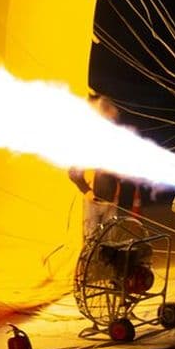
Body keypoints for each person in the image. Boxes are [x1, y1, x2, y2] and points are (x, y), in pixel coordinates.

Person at [68, 94, 122, 243]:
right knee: (91, 238)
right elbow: (72, 173)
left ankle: (107, 259)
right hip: (92, 201)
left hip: (111, 201)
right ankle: (91, 258)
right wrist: (87, 191)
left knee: (110, 239)